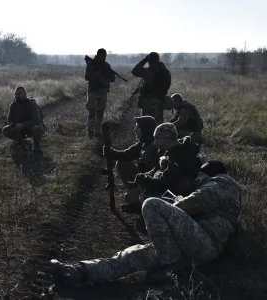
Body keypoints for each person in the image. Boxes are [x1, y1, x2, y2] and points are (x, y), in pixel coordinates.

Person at [50, 160, 242, 286]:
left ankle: (172, 264)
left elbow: (194, 203)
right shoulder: (220, 190)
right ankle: (77, 272)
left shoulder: (223, 184)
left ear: (211, 173)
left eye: (201, 175)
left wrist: (172, 203)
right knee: (132, 256)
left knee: (151, 204)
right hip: (191, 245)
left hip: (204, 243)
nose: (198, 179)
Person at [125, 123, 201, 211]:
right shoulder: (172, 151)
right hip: (172, 189)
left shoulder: (179, 157)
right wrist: (144, 177)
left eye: (157, 138)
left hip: (181, 197)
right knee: (132, 194)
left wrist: (141, 178)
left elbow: (163, 183)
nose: (155, 142)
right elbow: (158, 170)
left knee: (141, 197)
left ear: (167, 138)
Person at [131, 52, 171, 125]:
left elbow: (134, 71)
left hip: (148, 102)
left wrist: (143, 61)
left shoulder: (148, 72)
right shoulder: (166, 71)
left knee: (146, 125)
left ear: (150, 61)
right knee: (158, 125)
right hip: (160, 102)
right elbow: (168, 85)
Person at [2, 87, 45, 154]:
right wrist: (12, 125)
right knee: (5, 129)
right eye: (15, 94)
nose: (17, 96)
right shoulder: (13, 105)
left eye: (19, 93)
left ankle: (36, 145)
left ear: (25, 94)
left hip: (32, 128)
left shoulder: (31, 103)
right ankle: (22, 142)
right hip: (21, 129)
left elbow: (37, 121)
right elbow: (9, 119)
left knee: (37, 128)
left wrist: (23, 124)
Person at [84, 48, 116, 138]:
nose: (103, 58)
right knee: (92, 112)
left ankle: (97, 131)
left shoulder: (106, 66)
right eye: (102, 56)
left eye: (104, 56)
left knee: (100, 112)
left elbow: (112, 78)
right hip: (93, 91)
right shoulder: (91, 64)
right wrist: (96, 74)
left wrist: (108, 79)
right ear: (97, 55)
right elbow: (87, 77)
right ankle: (90, 131)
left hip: (103, 91)